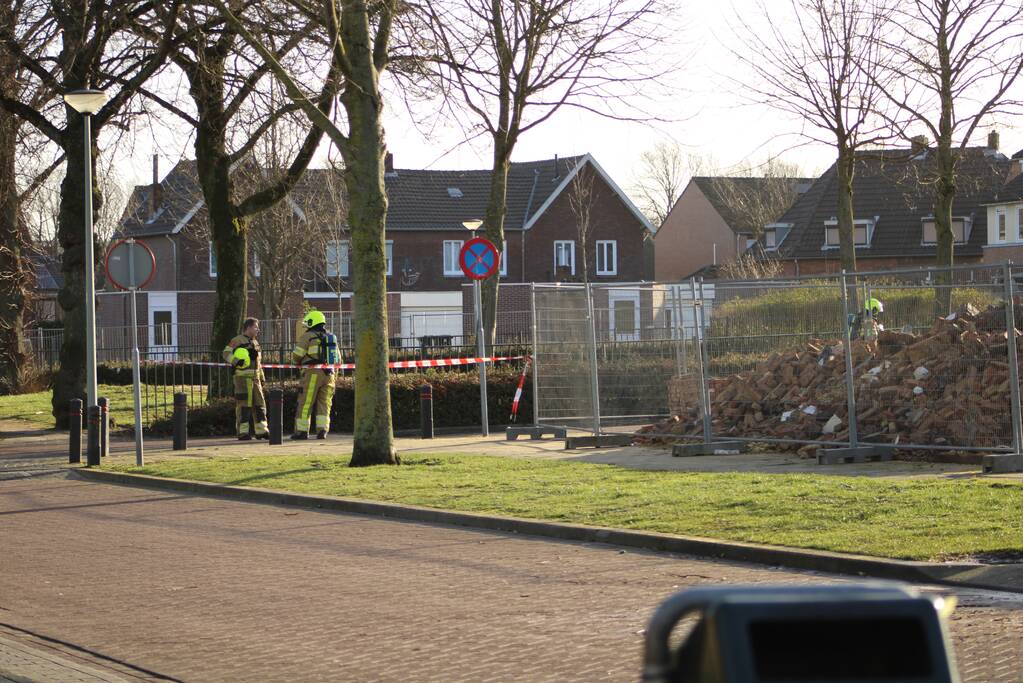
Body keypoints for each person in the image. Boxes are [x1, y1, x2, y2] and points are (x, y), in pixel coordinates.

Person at [291, 309, 339, 440]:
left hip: (312, 374)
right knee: (324, 403)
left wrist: (298, 363)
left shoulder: (308, 336)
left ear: (312, 322)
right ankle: (322, 431)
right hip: (329, 374)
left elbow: (297, 355)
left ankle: (301, 431)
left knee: (306, 401)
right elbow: (338, 359)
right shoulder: (331, 337)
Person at [222, 318, 269, 440]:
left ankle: (262, 431)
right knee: (244, 406)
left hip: (256, 379)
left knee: (260, 405)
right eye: (256, 327)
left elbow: (259, 363)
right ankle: (243, 433)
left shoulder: (256, 343)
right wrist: (238, 362)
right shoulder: (237, 340)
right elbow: (226, 353)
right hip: (242, 380)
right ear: (248, 328)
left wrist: (262, 378)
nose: (258, 329)